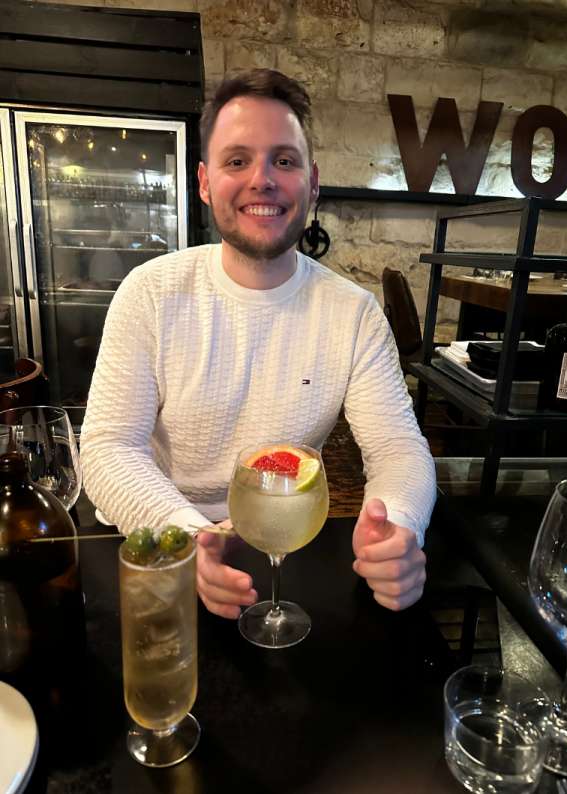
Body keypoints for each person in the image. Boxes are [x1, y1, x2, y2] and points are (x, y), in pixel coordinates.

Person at [79, 69, 436, 615]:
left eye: (284, 161)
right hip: (160, 537)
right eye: (237, 160)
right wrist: (189, 539)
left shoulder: (353, 313)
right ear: (204, 182)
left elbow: (397, 449)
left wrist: (399, 528)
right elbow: (107, 448)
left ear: (312, 183)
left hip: (284, 539)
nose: (262, 179)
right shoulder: (150, 291)